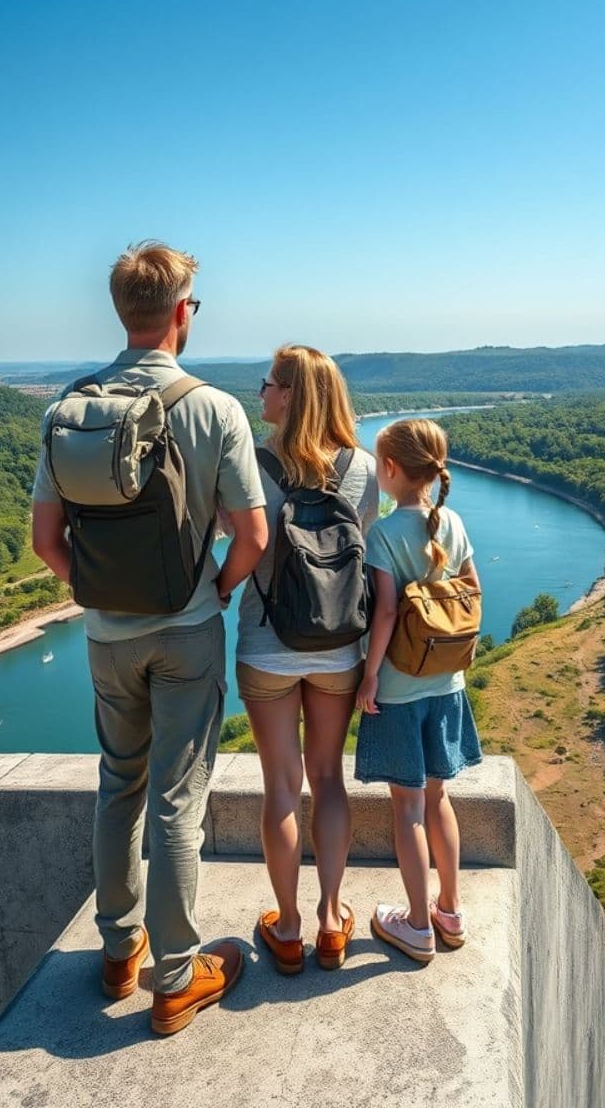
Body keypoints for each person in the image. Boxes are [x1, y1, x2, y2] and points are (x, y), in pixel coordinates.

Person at [31, 241, 268, 1034]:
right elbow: (253, 538)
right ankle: (175, 980)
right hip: (188, 631)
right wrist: (217, 592)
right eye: (193, 305)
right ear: (180, 312)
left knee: (118, 786)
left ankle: (117, 952)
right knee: (177, 800)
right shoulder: (214, 407)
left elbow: (44, 540)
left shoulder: (70, 406)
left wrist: (95, 593)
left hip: (106, 639)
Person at [235, 345, 378, 972]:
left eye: (267, 383)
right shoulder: (364, 468)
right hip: (340, 648)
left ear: (288, 394)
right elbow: (364, 548)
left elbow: (233, 537)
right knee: (327, 778)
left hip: (266, 646)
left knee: (282, 787)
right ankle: (330, 920)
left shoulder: (252, 465)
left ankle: (287, 929)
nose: (260, 392)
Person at [354, 417, 482, 963]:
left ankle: (415, 925)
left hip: (401, 689)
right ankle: (449, 913)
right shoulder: (452, 521)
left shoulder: (383, 534)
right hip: (447, 684)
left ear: (389, 469)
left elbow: (384, 610)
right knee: (439, 798)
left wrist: (368, 675)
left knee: (407, 807)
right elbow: (473, 591)